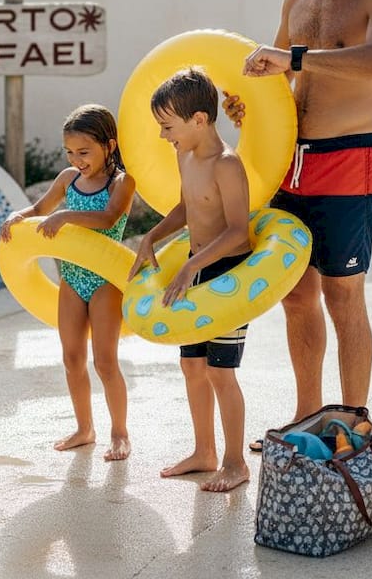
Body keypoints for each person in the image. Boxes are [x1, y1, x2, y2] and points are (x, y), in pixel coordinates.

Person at [224, 0, 372, 443]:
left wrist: (294, 58)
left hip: (347, 159)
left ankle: (353, 423)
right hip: (289, 161)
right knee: (296, 294)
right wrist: (250, 105)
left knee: (342, 294)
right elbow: (280, 76)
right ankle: (308, 417)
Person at [128, 68, 253, 492]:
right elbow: (187, 207)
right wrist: (151, 237)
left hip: (226, 272)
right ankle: (205, 452)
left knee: (221, 372)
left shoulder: (226, 165)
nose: (163, 135)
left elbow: (238, 231)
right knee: (192, 365)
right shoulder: (185, 155)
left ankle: (235, 463)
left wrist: (188, 267)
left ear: (199, 120)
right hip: (194, 266)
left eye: (168, 127)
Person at [0, 104, 136, 461]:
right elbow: (38, 210)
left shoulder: (121, 183)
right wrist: (17, 216)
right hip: (72, 280)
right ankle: (84, 428)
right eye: (70, 152)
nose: (77, 160)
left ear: (109, 145)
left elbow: (108, 218)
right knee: (72, 358)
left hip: (105, 281)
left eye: (84, 152)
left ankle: (119, 433)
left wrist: (66, 217)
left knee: (105, 362)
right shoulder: (68, 179)